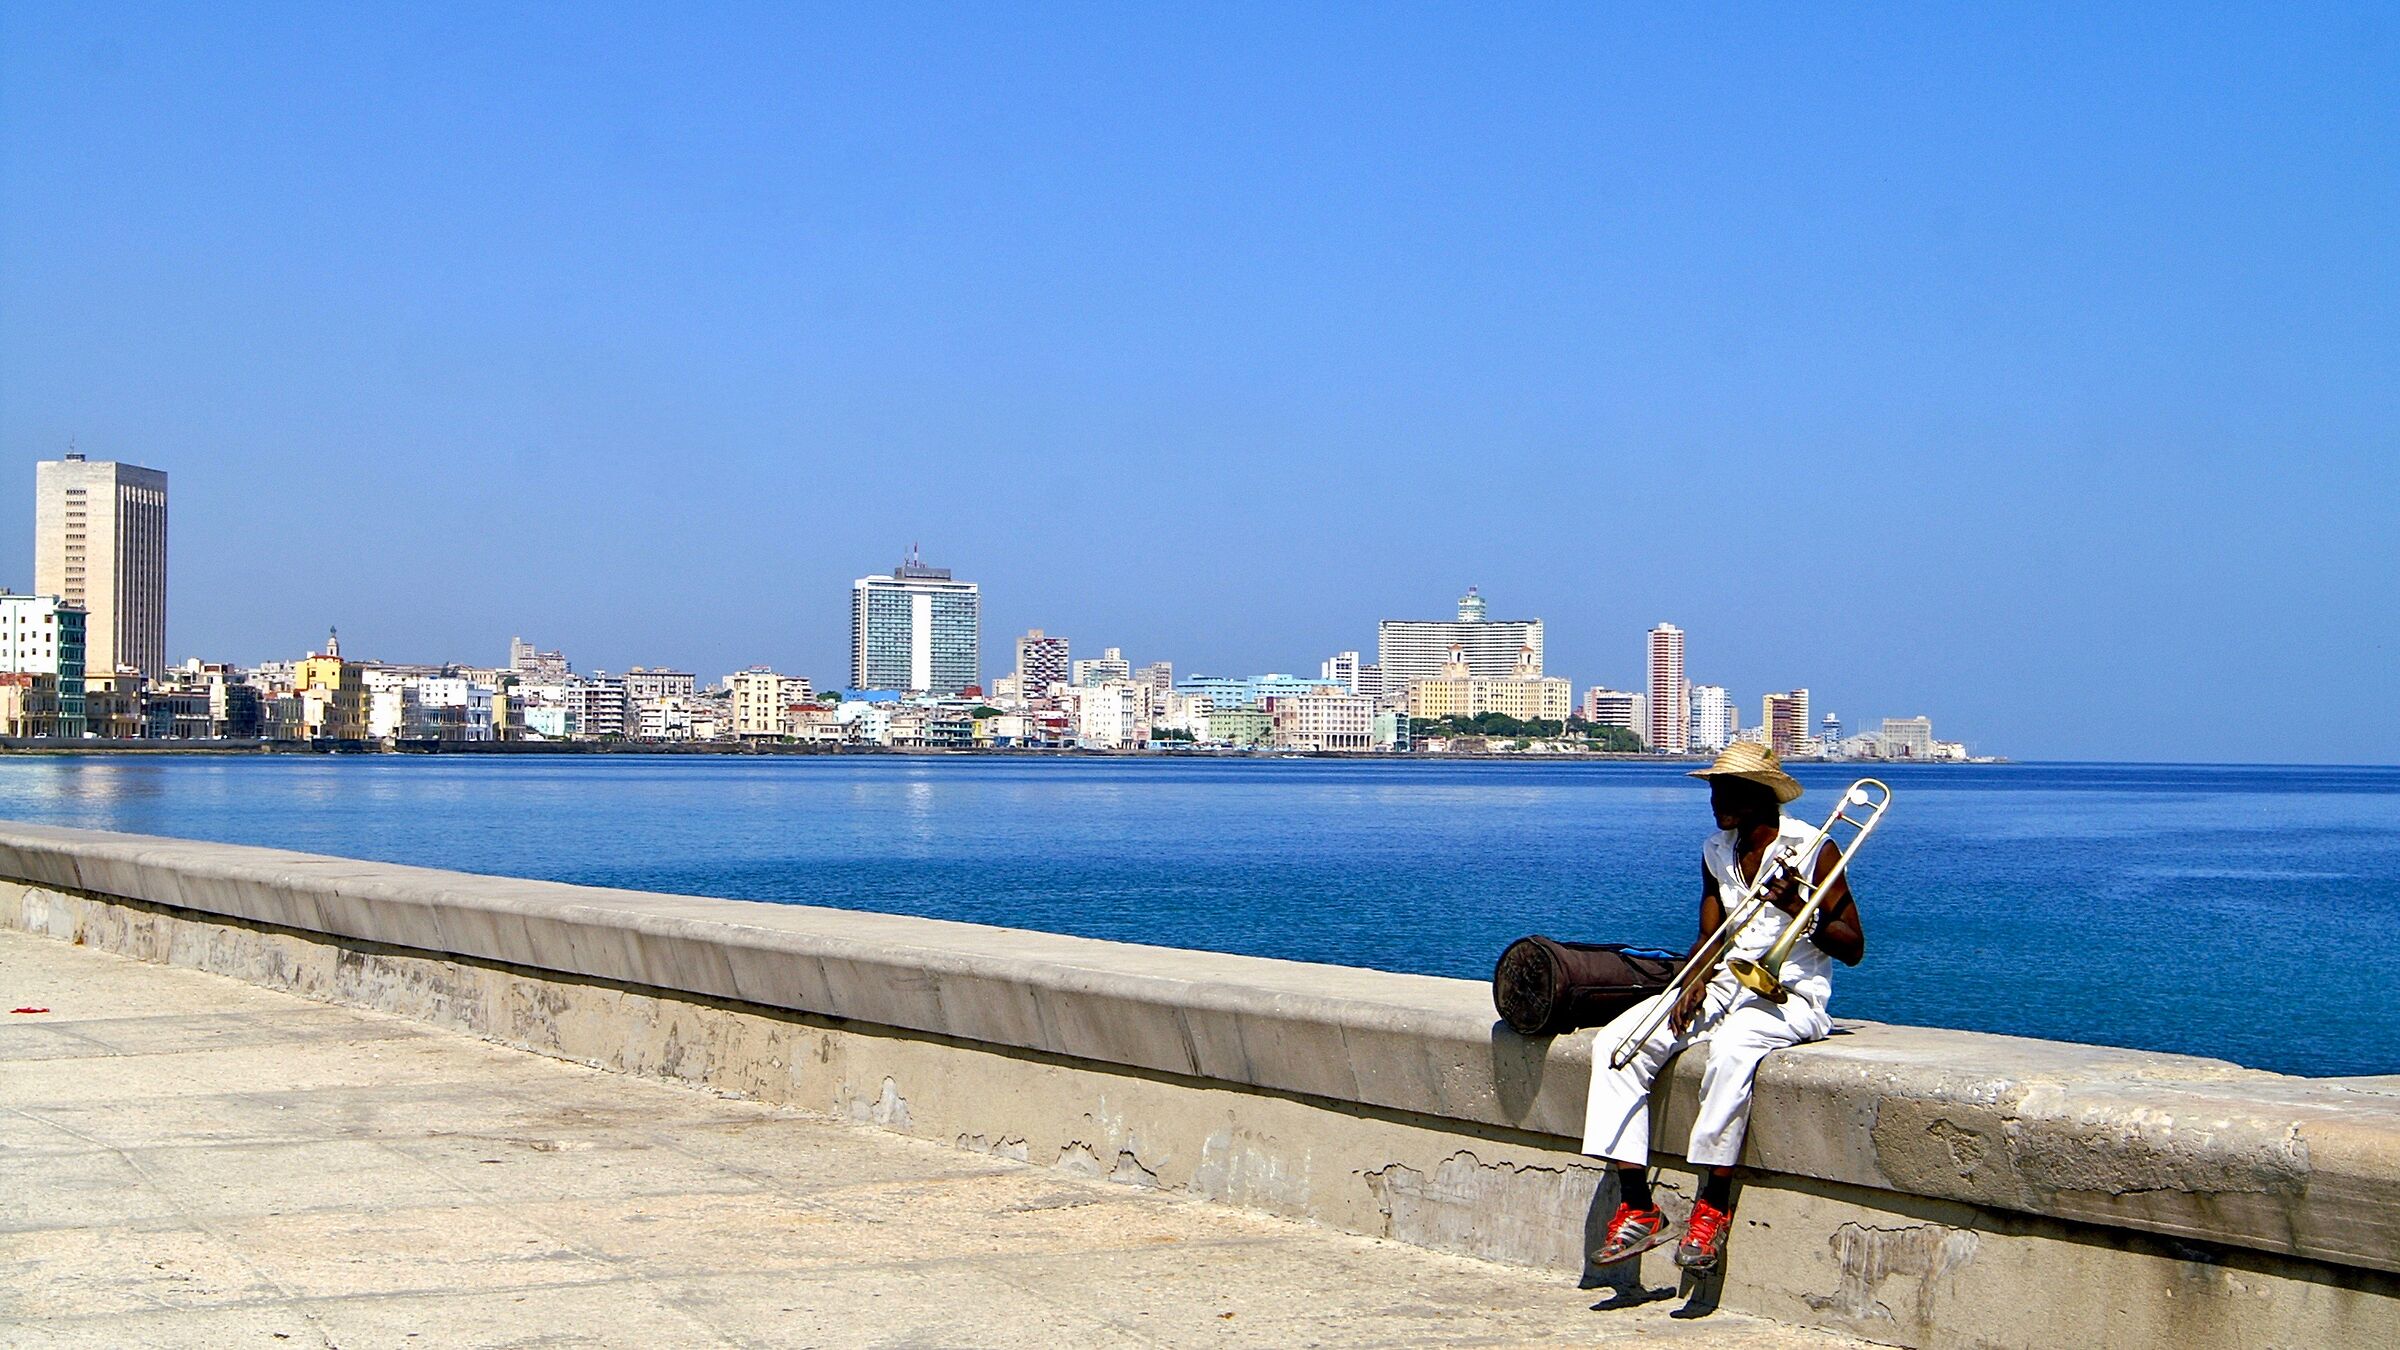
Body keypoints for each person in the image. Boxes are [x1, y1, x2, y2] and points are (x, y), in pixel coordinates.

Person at [1583, 742, 1866, 1274]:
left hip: (1792, 996)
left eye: (1728, 791)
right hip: (1724, 984)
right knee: (1617, 1046)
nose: (1716, 801)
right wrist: (1690, 979)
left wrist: (1799, 908)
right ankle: (1638, 1205)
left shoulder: (1815, 848)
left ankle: (1711, 1207)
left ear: (1763, 795)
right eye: (1714, 789)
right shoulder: (1717, 849)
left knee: (1733, 1051)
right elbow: (1710, 934)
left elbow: (1853, 947)